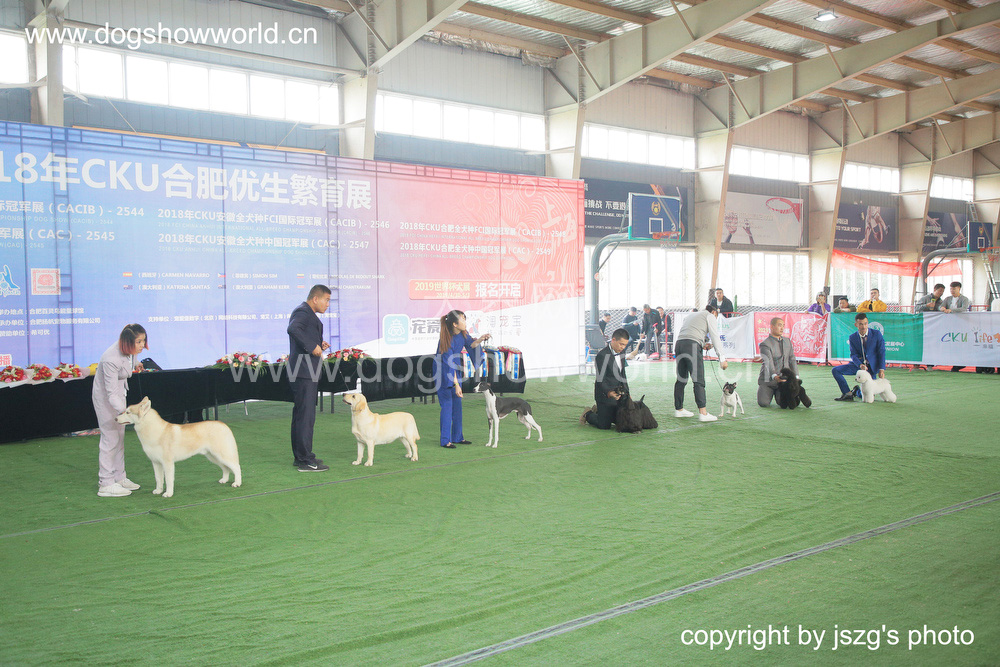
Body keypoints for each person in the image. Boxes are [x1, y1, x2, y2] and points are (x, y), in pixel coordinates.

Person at [92, 324, 147, 497]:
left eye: (143, 341)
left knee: (119, 438)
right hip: (106, 399)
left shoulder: (130, 350)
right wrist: (127, 413)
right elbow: (110, 393)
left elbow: (130, 360)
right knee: (110, 438)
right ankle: (106, 483)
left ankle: (119, 477)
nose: (142, 345)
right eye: (139, 342)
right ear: (128, 341)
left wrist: (136, 363)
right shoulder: (110, 358)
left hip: (120, 394)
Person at [288, 285, 331, 471]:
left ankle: (301, 457)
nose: (328, 304)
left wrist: (318, 343)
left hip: (304, 371)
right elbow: (293, 329)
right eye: (326, 300)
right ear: (315, 299)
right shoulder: (303, 312)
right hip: (304, 371)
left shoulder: (305, 312)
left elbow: (302, 333)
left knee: (302, 416)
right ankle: (305, 460)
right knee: (305, 417)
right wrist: (311, 346)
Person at [435, 309, 491, 448]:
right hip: (443, 371)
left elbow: (471, 345)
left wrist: (480, 339)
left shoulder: (463, 333)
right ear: (455, 324)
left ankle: (457, 437)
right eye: (463, 319)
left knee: (457, 405)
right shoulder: (446, 339)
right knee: (447, 405)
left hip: (454, 368)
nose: (465, 322)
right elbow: (448, 365)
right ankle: (445, 440)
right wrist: (456, 385)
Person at [674, 305, 728, 422]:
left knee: (681, 379)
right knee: (698, 379)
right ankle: (703, 413)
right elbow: (715, 336)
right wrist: (722, 358)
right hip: (692, 346)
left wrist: (702, 344)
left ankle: (679, 409)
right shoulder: (710, 316)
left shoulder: (691, 315)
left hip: (679, 344)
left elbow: (690, 333)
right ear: (714, 312)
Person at [581, 328, 630, 429]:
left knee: (623, 421)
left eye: (625, 345)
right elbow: (600, 379)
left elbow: (622, 374)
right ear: (613, 340)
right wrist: (609, 392)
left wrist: (627, 393)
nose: (623, 347)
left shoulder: (622, 353)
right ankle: (588, 414)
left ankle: (600, 411)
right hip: (605, 395)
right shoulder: (602, 355)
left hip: (618, 394)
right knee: (604, 425)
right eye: (621, 344)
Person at [832, 313, 886, 402]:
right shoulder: (852, 337)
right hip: (858, 365)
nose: (864, 327)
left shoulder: (876, 334)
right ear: (856, 325)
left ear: (868, 323)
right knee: (835, 370)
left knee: (867, 394)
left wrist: (881, 369)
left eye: (865, 323)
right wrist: (860, 365)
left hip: (871, 368)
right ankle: (847, 393)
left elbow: (881, 352)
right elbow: (853, 355)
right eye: (860, 324)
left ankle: (856, 391)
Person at [757, 317, 799, 408]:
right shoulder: (765, 344)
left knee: (784, 403)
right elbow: (768, 362)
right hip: (768, 380)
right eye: (779, 325)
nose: (782, 328)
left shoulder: (787, 341)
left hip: (784, 380)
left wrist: (796, 377)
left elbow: (792, 359)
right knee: (763, 403)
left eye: (783, 325)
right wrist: (775, 376)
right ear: (772, 327)